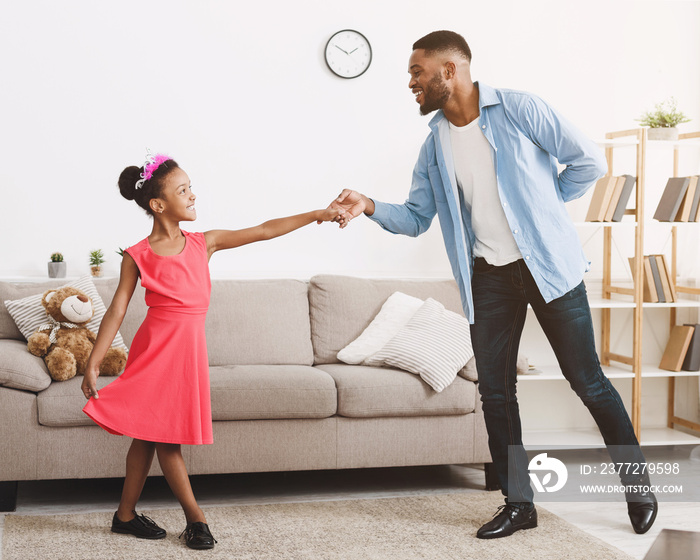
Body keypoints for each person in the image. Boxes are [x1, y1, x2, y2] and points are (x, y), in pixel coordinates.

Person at [328, 30, 658, 539]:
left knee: (588, 381)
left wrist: (545, 210)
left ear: (449, 70)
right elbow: (417, 217)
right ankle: (519, 502)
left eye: (417, 72)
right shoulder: (435, 144)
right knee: (497, 394)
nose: (411, 83)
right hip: (490, 276)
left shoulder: (521, 109)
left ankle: (638, 486)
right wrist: (370, 206)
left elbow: (589, 160)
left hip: (549, 266)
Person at [82, 152, 341, 550]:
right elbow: (117, 309)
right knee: (164, 439)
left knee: (147, 438)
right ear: (158, 204)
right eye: (182, 189)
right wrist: (94, 362)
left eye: (190, 187)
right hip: (154, 355)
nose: (192, 194)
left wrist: (317, 215)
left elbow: (265, 230)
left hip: (185, 357)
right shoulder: (137, 255)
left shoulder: (205, 244)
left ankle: (125, 516)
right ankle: (196, 519)